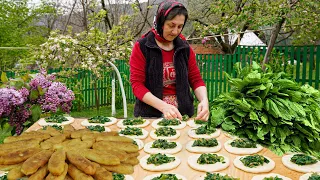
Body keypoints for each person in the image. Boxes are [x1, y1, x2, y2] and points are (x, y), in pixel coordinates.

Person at [129, 0, 209, 121]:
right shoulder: (142, 46)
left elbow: (196, 79)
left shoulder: (184, 47)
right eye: (171, 25)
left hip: (183, 115)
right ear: (160, 22)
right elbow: (137, 85)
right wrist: (164, 107)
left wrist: (204, 100)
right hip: (151, 116)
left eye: (180, 26)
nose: (175, 31)